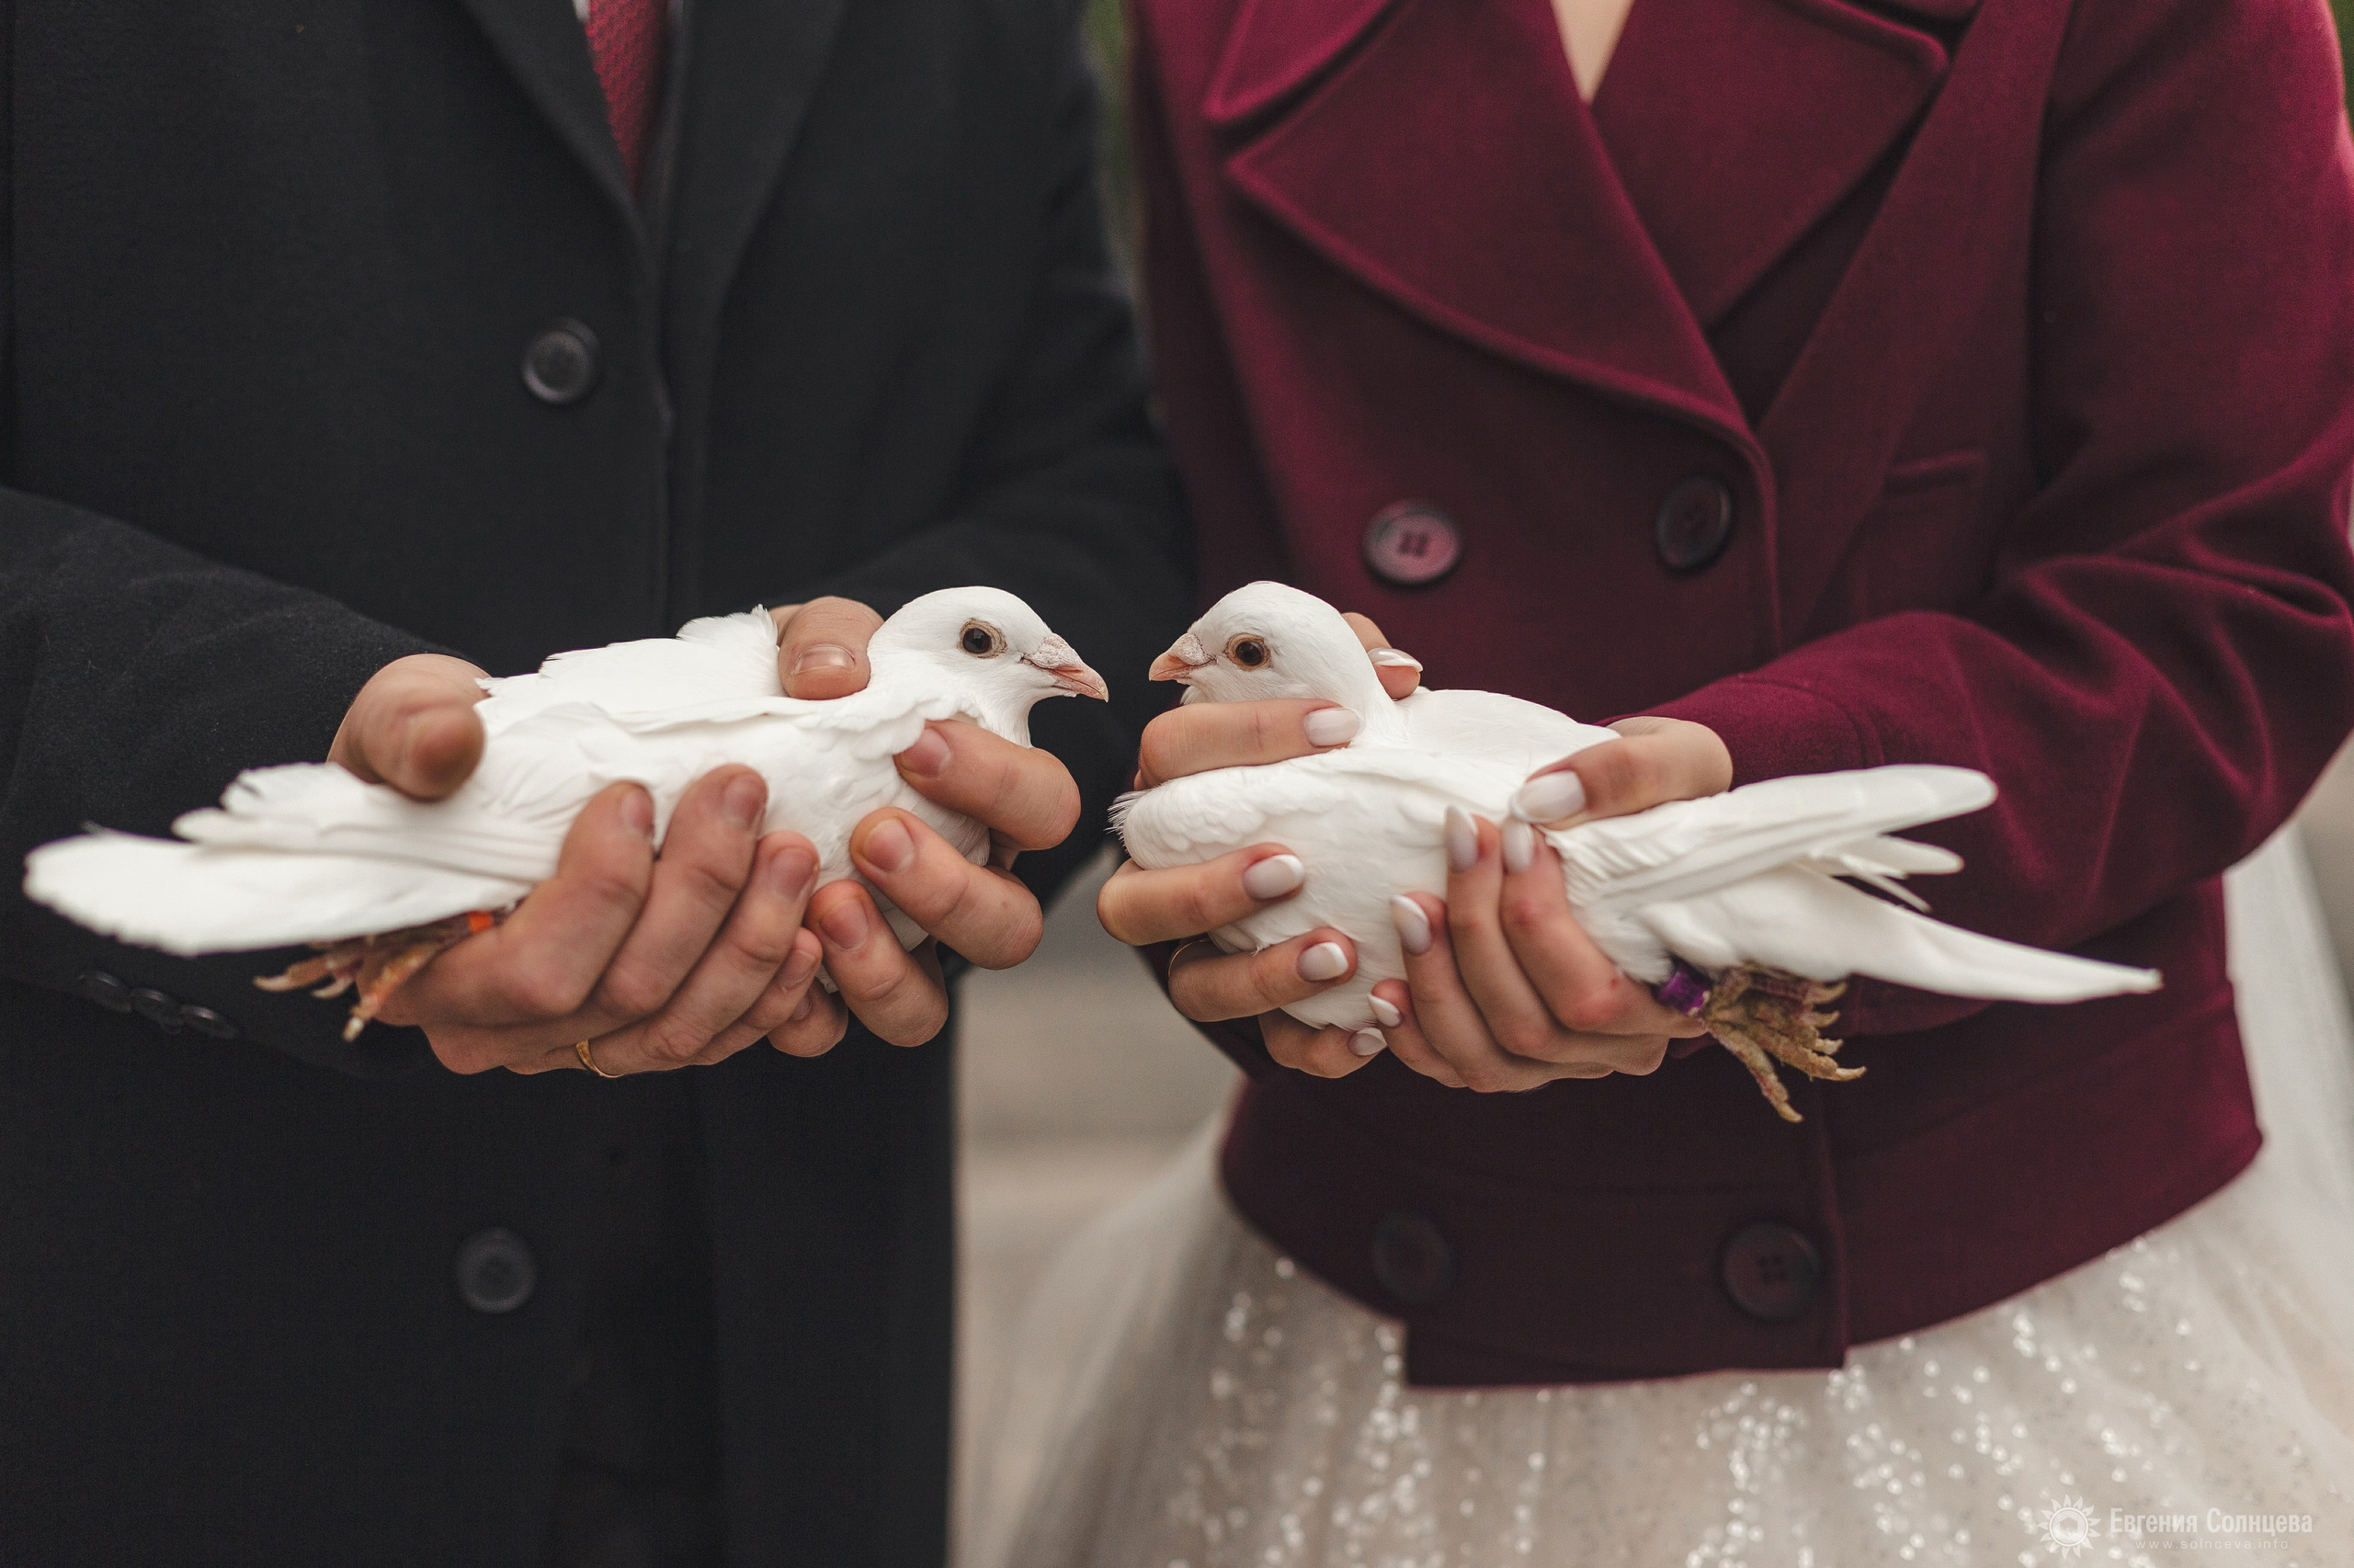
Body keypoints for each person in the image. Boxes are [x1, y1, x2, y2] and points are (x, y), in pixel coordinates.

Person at [971, 0, 2354, 1558]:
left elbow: (2221, 609)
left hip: (1971, 1286)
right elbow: (1233, 604)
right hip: (1397, 1267)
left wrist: (1741, 826)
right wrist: (1243, 897)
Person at [0, 0, 1187, 1562]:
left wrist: (925, 744)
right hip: (144, 1363)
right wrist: (309, 737)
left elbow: (1091, 478)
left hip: (772, 1392)